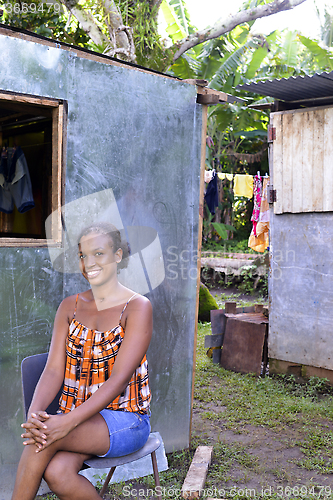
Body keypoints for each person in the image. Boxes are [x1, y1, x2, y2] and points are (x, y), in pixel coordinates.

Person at [12, 223, 152, 500]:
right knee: (58, 473)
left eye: (99, 253)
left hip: (125, 418)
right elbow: (53, 370)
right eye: (83, 255)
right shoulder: (69, 306)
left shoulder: (137, 307)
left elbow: (118, 381)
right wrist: (35, 414)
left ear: (118, 256)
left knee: (41, 441)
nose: (89, 263)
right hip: (76, 419)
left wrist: (65, 423)